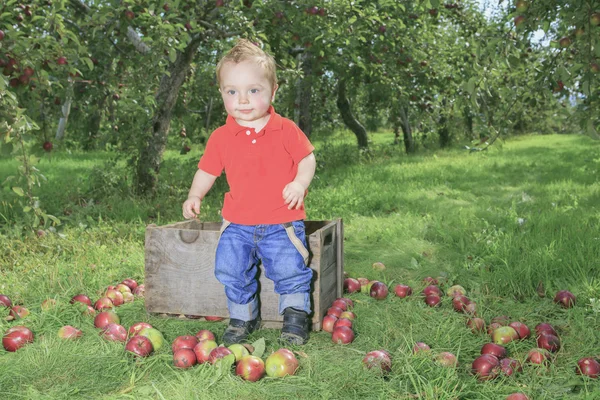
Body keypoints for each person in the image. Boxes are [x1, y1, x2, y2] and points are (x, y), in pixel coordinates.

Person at [182, 39, 316, 346]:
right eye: (232, 91)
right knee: (229, 269)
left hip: (281, 221)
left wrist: (299, 183)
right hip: (237, 222)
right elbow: (207, 170)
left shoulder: (286, 129)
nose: (242, 99)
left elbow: (307, 159)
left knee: (289, 269)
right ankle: (242, 317)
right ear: (222, 94)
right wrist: (195, 195)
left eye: (253, 90)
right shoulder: (221, 137)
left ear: (273, 91)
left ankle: (295, 316)